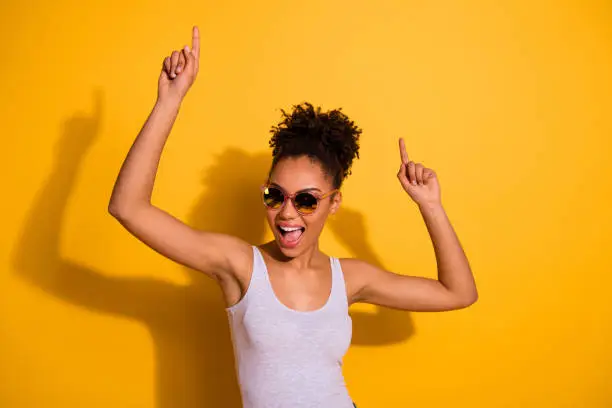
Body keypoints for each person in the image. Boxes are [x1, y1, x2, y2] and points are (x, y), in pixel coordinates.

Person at [108, 26, 478, 408]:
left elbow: (459, 293)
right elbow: (128, 207)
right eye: (275, 195)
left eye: (306, 200)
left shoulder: (349, 278)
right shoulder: (240, 265)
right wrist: (169, 102)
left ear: (334, 203)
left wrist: (429, 205)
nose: (286, 213)